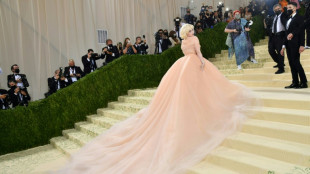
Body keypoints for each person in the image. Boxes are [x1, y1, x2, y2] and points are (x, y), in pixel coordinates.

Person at [53, 24, 257, 174]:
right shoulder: (193, 40)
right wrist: (203, 63)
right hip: (193, 65)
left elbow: (187, 53)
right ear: (189, 32)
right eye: (191, 30)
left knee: (183, 92)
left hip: (182, 66)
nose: (193, 32)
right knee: (204, 88)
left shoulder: (184, 42)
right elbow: (199, 54)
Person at [281, 2, 308, 88]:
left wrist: (302, 45)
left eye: (290, 7)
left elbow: (301, 32)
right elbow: (286, 34)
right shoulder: (288, 19)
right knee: (291, 64)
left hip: (296, 44)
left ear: (295, 8)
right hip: (288, 45)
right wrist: (283, 46)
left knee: (296, 63)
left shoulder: (299, 18)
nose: (288, 9)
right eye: (287, 7)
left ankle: (304, 82)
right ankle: (295, 82)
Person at [268, 4, 288, 74]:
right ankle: (279, 63)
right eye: (276, 10)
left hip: (280, 36)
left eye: (278, 9)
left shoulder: (283, 15)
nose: (277, 10)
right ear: (274, 11)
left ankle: (281, 68)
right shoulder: (273, 17)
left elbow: (286, 15)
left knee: (280, 52)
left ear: (281, 8)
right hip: (273, 36)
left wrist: (285, 10)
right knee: (271, 51)